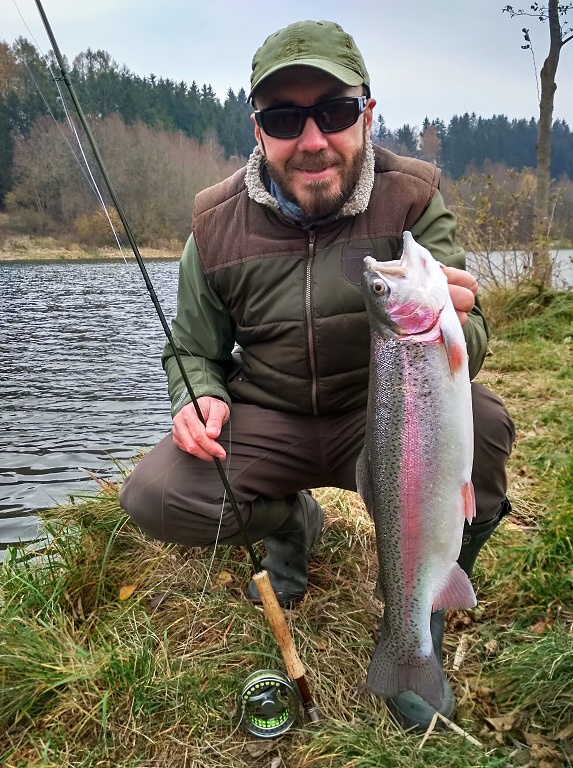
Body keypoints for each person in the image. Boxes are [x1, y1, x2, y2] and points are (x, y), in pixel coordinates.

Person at [119, 19, 515, 731]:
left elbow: (473, 338)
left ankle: (416, 625)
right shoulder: (213, 223)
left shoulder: (414, 197)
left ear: (366, 113)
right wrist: (198, 394)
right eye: (283, 118)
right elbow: (190, 348)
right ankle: (294, 524)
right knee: (155, 493)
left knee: (483, 425)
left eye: (332, 112)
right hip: (269, 418)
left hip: (389, 419)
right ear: (257, 128)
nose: (311, 139)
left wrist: (457, 322)